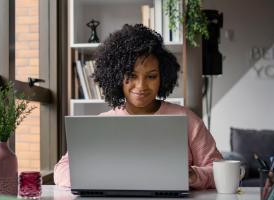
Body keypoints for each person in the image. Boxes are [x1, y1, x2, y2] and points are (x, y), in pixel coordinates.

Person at [54, 24, 223, 190]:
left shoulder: (187, 120)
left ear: (162, 77)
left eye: (151, 76)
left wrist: (193, 176)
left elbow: (220, 171)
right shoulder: (100, 124)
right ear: (117, 77)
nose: (141, 86)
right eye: (132, 75)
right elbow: (60, 169)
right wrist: (91, 178)